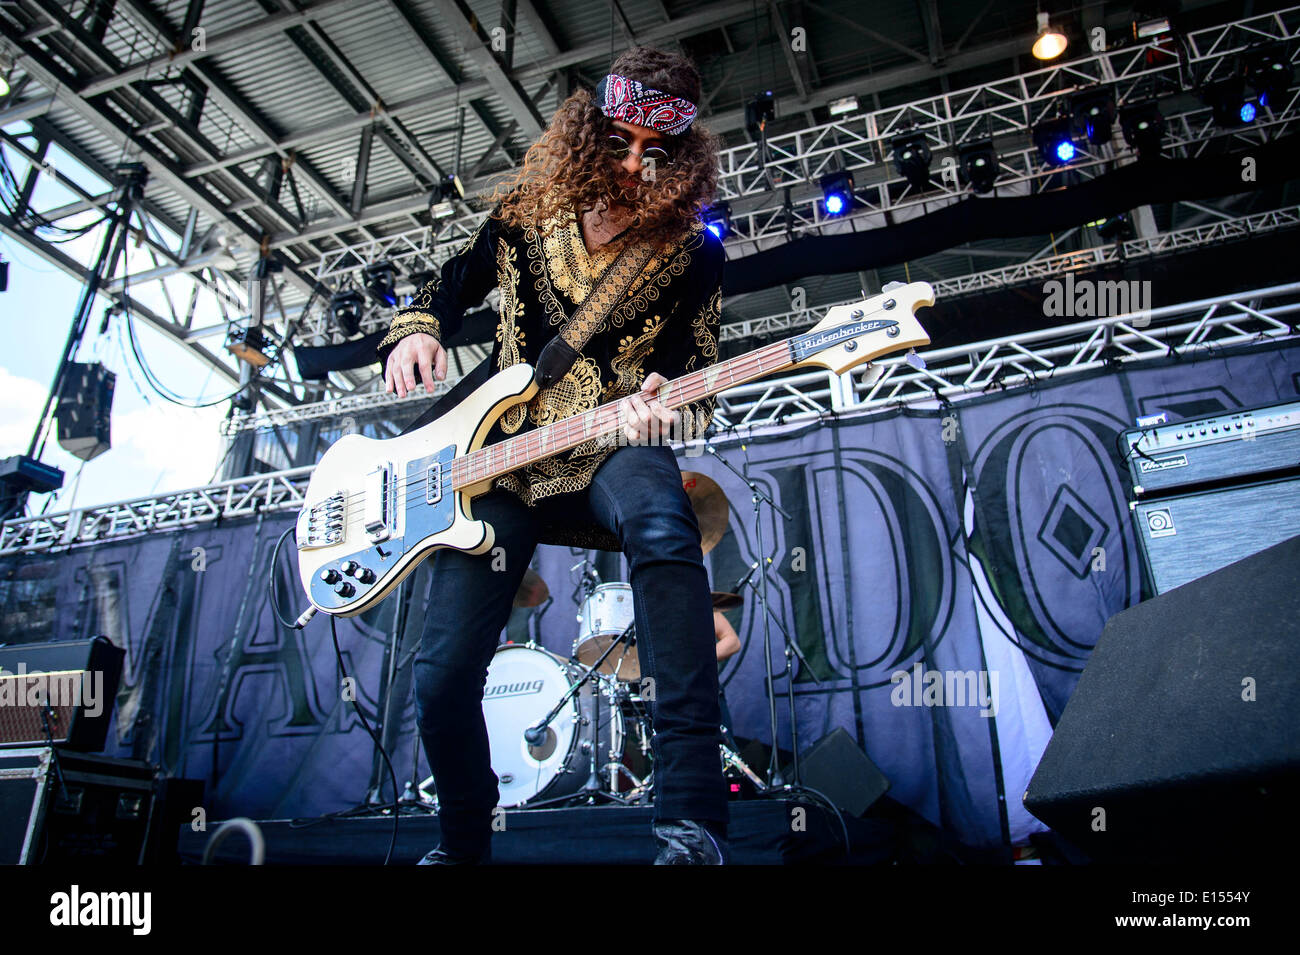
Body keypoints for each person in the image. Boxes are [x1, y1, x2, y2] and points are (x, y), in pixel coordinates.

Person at [377, 47, 729, 865]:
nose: (637, 162)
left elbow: (699, 375)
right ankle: (463, 842)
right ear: (587, 130)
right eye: (621, 142)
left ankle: (692, 820)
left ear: (683, 161)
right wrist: (419, 326)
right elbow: (453, 282)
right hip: (494, 460)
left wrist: (664, 408)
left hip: (607, 444)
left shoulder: (696, 255)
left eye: (658, 152)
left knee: (663, 519)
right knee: (440, 677)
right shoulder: (524, 208)